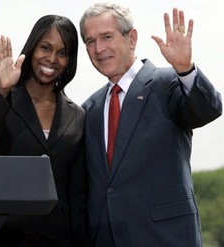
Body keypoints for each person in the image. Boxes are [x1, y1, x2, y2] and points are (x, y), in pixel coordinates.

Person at [79, 2, 222, 247]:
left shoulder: (168, 83)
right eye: (90, 41)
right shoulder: (89, 108)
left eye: (107, 37)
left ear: (131, 38)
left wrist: (186, 70)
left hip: (166, 238)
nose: (99, 48)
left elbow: (208, 110)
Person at [0, 15, 89, 246]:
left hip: (59, 238)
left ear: (70, 60)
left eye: (62, 53)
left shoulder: (77, 116)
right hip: (4, 237)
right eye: (45, 47)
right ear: (32, 47)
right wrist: (3, 91)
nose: (52, 59)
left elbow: (78, 194)